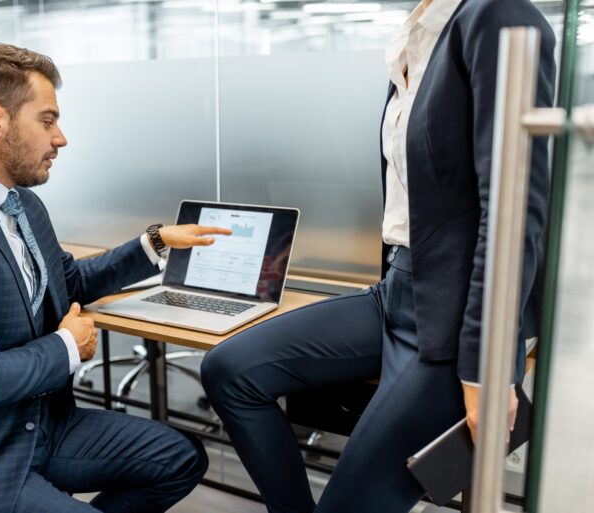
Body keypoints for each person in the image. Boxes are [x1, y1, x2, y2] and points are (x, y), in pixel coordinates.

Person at [200, 0, 556, 511]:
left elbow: (514, 212)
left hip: (456, 322)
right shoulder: (417, 37)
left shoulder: (496, 15)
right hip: (396, 290)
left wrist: (487, 367)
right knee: (229, 370)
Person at [0, 43, 232, 513]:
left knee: (178, 458)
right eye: (47, 120)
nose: (60, 138)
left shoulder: (19, 204)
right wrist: (67, 346)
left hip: (36, 423)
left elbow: (67, 283)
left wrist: (155, 243)